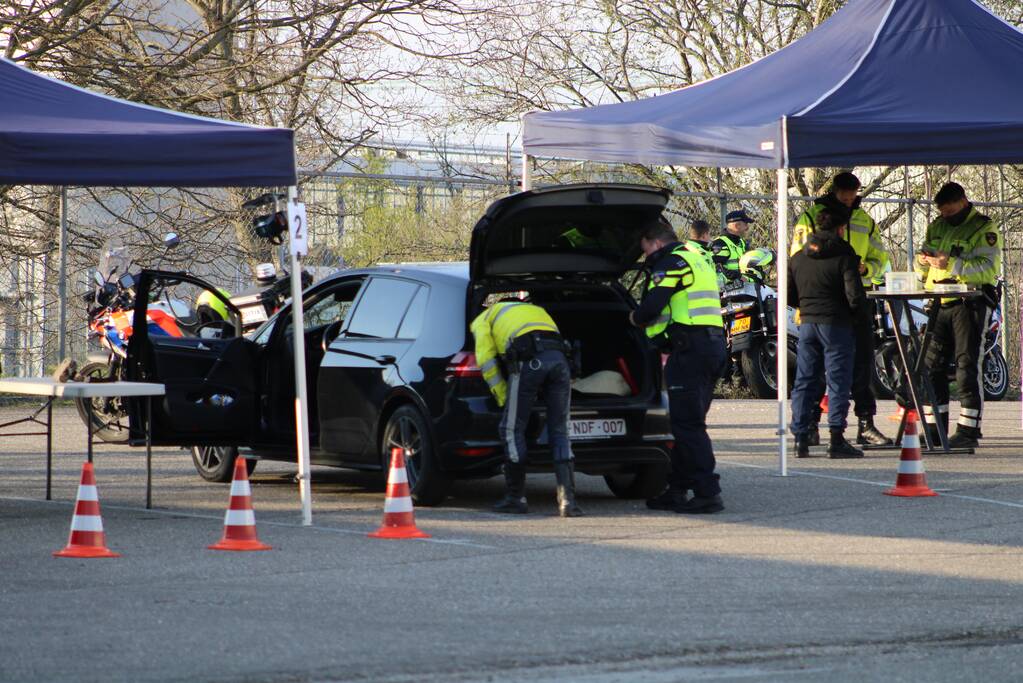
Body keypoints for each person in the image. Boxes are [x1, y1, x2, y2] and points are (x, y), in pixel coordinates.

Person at [631, 219, 726, 514]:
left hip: (691, 350)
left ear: (655, 242)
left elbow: (652, 308)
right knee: (687, 422)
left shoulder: (671, 264)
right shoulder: (697, 259)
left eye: (644, 248)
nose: (645, 255)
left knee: (687, 424)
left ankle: (707, 492)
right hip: (712, 346)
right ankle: (676, 489)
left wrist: (633, 319)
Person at [790, 172, 892, 447]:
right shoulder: (810, 218)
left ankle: (864, 424)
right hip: (826, 307)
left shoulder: (864, 221)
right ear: (834, 192)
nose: (849, 200)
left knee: (859, 366)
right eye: (844, 196)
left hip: (851, 300)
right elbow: (798, 260)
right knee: (825, 374)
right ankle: (816, 427)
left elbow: (880, 258)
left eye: (853, 195)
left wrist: (866, 269)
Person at [470, 297, 583, 517]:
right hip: (560, 363)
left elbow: (487, 362)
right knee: (560, 430)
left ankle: (515, 498)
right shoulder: (537, 310)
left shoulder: (483, 319)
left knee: (511, 429)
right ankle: (568, 502)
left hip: (529, 362)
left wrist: (504, 397)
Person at [915, 182, 1002, 449]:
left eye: (950, 212)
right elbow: (925, 263)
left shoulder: (983, 228)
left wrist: (951, 263)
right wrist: (922, 262)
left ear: (963, 202)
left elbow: (988, 269)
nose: (946, 217)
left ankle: (968, 429)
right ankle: (934, 427)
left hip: (970, 302)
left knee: (966, 365)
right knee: (932, 366)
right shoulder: (937, 225)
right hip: (939, 302)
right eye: (942, 213)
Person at [788, 205, 866, 459]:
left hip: (808, 322)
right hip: (836, 324)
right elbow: (855, 296)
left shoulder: (798, 257)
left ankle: (801, 437)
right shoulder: (845, 256)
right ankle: (836, 438)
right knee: (837, 381)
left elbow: (789, 293)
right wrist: (855, 316)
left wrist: (807, 306)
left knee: (804, 379)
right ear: (841, 228)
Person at [710, 209, 753, 283]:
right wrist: (739, 277)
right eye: (745, 224)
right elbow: (714, 267)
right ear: (737, 225)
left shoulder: (741, 242)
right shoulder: (720, 244)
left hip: (744, 289)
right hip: (728, 292)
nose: (747, 228)